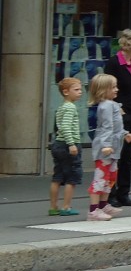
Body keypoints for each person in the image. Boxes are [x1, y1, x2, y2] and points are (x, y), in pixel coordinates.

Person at [103, 28, 131, 206]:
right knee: (116, 157)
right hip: (119, 113)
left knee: (129, 156)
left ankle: (124, 192)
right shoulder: (114, 63)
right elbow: (107, 88)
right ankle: (110, 193)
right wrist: (118, 109)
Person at [87, 74, 131, 221]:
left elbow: (116, 126)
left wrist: (125, 133)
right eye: (113, 87)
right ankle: (94, 210)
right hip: (106, 147)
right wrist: (106, 145)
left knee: (111, 177)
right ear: (103, 90)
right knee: (101, 177)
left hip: (114, 147)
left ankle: (103, 205)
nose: (117, 89)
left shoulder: (112, 104)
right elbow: (107, 127)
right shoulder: (106, 106)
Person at [48, 78, 84, 217]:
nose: (80, 92)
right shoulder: (70, 107)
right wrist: (71, 144)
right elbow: (65, 127)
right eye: (76, 90)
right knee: (71, 178)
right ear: (66, 92)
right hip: (68, 145)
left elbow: (59, 127)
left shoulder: (61, 107)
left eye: (80, 89)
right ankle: (66, 207)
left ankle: (53, 207)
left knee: (57, 177)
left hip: (58, 144)